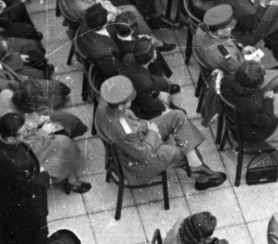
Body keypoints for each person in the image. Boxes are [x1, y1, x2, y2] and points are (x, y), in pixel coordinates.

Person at [94, 75, 228, 189]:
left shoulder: (105, 102)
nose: (131, 100)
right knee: (182, 149)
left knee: (177, 115)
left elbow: (125, 118)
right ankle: (202, 179)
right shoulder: (126, 131)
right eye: (128, 100)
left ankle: (196, 167)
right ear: (120, 105)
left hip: (132, 140)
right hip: (136, 162)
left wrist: (143, 125)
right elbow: (142, 154)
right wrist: (152, 132)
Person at [0, 112, 52, 244]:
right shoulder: (16, 164)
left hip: (4, 195)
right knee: (32, 237)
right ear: (11, 140)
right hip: (23, 208)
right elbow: (35, 184)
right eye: (23, 132)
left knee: (8, 233)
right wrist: (44, 174)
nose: (26, 133)